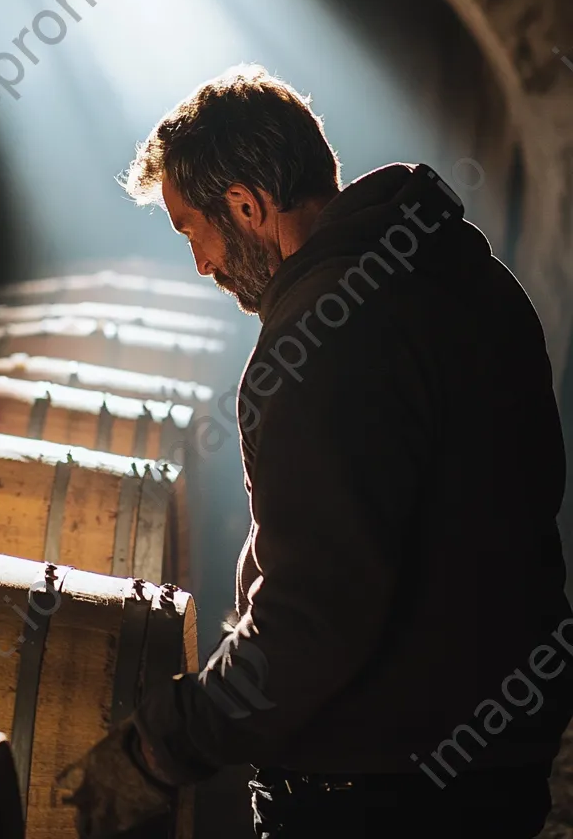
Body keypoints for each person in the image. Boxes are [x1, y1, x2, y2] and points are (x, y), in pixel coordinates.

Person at [61, 64, 573, 838]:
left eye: (192, 231)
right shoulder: (476, 279)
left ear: (245, 205)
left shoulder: (324, 334)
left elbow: (317, 610)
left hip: (375, 784)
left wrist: (166, 746)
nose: (201, 263)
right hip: (495, 758)